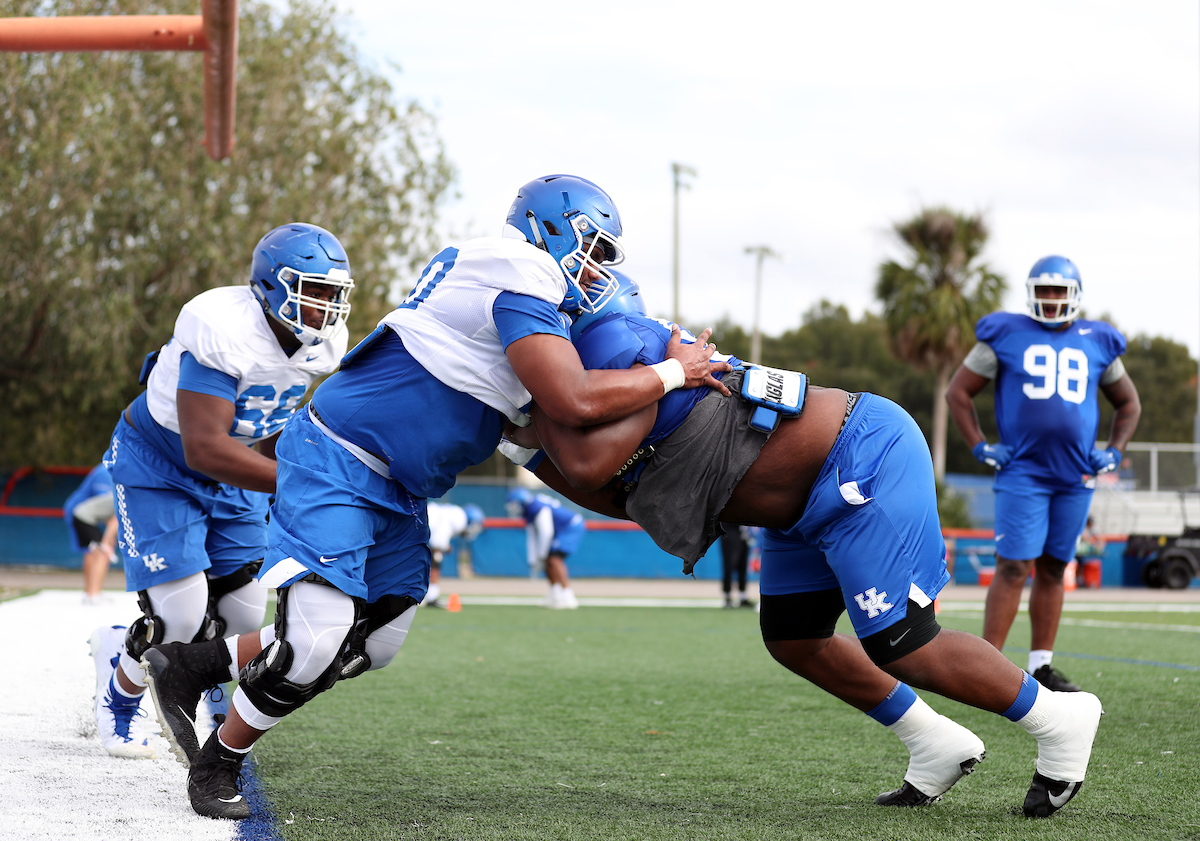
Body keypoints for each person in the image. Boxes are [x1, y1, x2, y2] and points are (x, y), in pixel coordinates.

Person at [138, 174, 730, 820]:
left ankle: (195, 663)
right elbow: (576, 399)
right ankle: (221, 758)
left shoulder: (519, 305)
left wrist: (636, 492)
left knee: (375, 641)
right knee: (314, 642)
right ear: (551, 230)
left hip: (400, 486)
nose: (598, 270)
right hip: (340, 455)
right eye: (595, 247)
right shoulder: (521, 270)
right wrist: (676, 371)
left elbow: (550, 443)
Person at [505, 272, 1104, 818]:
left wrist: (514, 426)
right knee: (794, 639)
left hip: (857, 460)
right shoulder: (600, 361)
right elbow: (613, 494)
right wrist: (527, 439)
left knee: (901, 643)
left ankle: (1058, 719)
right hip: (798, 504)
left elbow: (588, 467)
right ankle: (934, 741)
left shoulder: (614, 347)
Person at [93, 222, 356, 760]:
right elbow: (204, 448)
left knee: (242, 610)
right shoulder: (223, 327)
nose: (325, 308)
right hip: (162, 461)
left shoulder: (321, 345)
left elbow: (275, 415)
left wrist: (291, 479)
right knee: (181, 614)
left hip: (231, 467)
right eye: (313, 292)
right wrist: (302, 484)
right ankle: (117, 697)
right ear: (271, 287)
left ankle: (202, 690)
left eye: (333, 294)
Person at [945, 255, 1141, 692]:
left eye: (1059, 291)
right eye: (1044, 291)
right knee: (1014, 565)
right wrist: (979, 444)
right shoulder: (1005, 333)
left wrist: (1114, 450)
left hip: (1075, 476)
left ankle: (1041, 667)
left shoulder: (1097, 339)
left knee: (1054, 568)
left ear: (1074, 295)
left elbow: (1129, 403)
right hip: (1023, 473)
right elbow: (958, 392)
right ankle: (986, 667)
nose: (1051, 300)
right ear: (1031, 293)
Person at [506, 487, 585, 609]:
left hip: (570, 526)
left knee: (554, 559)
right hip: (559, 530)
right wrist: (533, 560)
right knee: (548, 560)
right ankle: (555, 594)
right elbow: (532, 537)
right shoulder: (530, 510)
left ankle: (568, 596)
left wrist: (541, 555)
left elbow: (546, 532)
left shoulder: (536, 507)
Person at [64, 463, 119, 604]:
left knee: (94, 551)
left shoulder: (118, 480)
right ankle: (93, 595)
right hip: (82, 515)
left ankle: (91, 593)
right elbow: (114, 519)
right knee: (100, 552)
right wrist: (108, 541)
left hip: (85, 515)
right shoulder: (105, 473)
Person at [423, 502, 485, 607]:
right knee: (436, 559)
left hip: (420, 523)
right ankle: (431, 597)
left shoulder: (455, 513)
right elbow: (437, 545)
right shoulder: (458, 519)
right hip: (417, 525)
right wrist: (444, 547)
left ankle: (430, 595)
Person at [719, 523, 754, 609]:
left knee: (742, 565)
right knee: (730, 564)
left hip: (742, 533)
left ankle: (743, 596)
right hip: (730, 531)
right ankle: (727, 597)